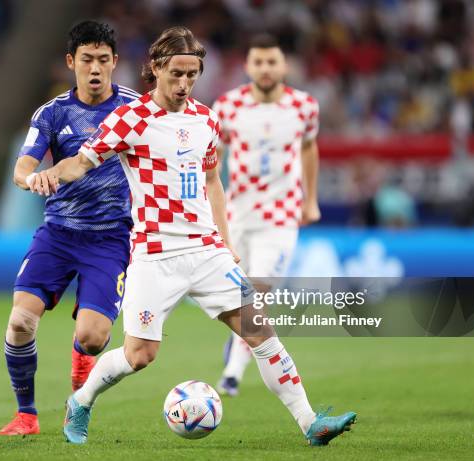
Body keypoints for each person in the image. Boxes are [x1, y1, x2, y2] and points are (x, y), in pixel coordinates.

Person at [31, 26, 355, 447]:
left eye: (192, 74)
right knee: (139, 356)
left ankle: (311, 422)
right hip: (154, 253)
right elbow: (82, 162)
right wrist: (50, 175)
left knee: (260, 331)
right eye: (177, 74)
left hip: (206, 251)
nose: (184, 84)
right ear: (156, 68)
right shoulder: (131, 119)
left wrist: (226, 241)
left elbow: (213, 182)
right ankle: (82, 400)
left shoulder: (206, 118)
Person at [0, 20, 140, 436]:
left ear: (114, 62)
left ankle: (78, 387)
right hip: (58, 233)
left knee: (94, 337)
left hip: (111, 237)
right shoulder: (52, 113)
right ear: (70, 62)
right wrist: (34, 179)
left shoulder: (133, 110)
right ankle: (26, 416)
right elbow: (21, 169)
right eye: (86, 60)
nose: (94, 69)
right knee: (20, 322)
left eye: (102, 60)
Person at [212, 34, 321, 397]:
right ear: (247, 66)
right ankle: (238, 349)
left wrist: (310, 200)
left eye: (272, 61)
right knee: (241, 296)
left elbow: (308, 148)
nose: (265, 68)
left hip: (281, 214)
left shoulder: (303, 107)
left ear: (283, 66)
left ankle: (232, 370)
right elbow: (215, 161)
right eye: (258, 62)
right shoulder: (227, 107)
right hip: (238, 213)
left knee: (258, 292)